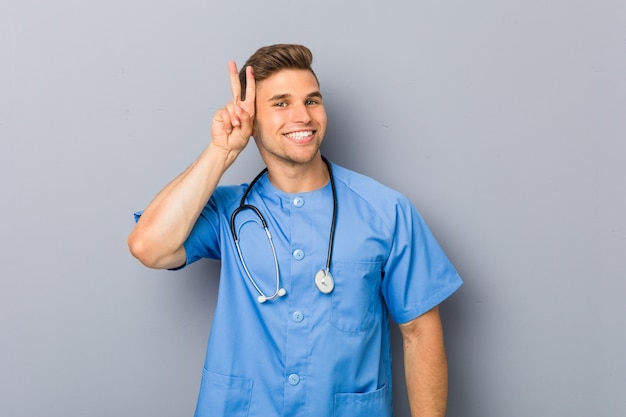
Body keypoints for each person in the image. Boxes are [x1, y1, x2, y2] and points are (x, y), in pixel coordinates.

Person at [128, 44, 462, 417]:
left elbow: (420, 332)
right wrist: (221, 151)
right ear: (251, 119)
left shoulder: (386, 211)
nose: (303, 116)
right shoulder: (229, 211)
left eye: (312, 101)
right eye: (282, 103)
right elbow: (148, 246)